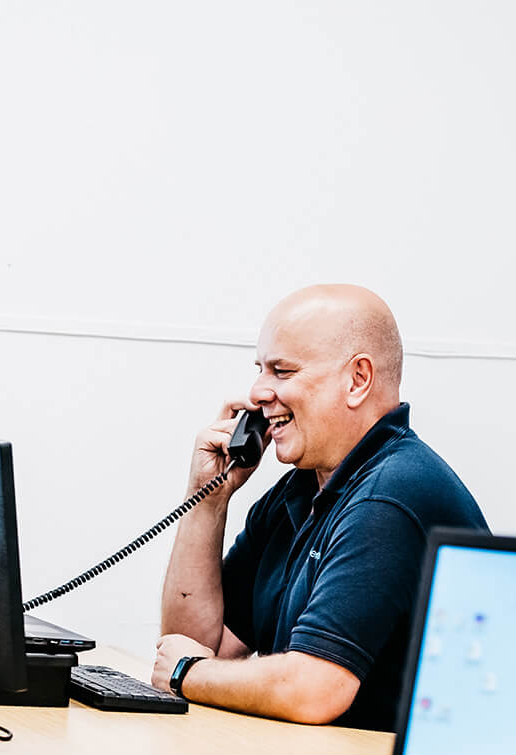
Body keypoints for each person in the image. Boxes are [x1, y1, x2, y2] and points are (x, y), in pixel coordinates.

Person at [154, 284, 487, 729]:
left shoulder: (389, 496)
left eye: (282, 371)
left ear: (357, 380)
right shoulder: (300, 491)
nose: (257, 392)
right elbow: (194, 644)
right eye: (260, 370)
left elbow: (315, 690)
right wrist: (207, 499)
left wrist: (186, 673)